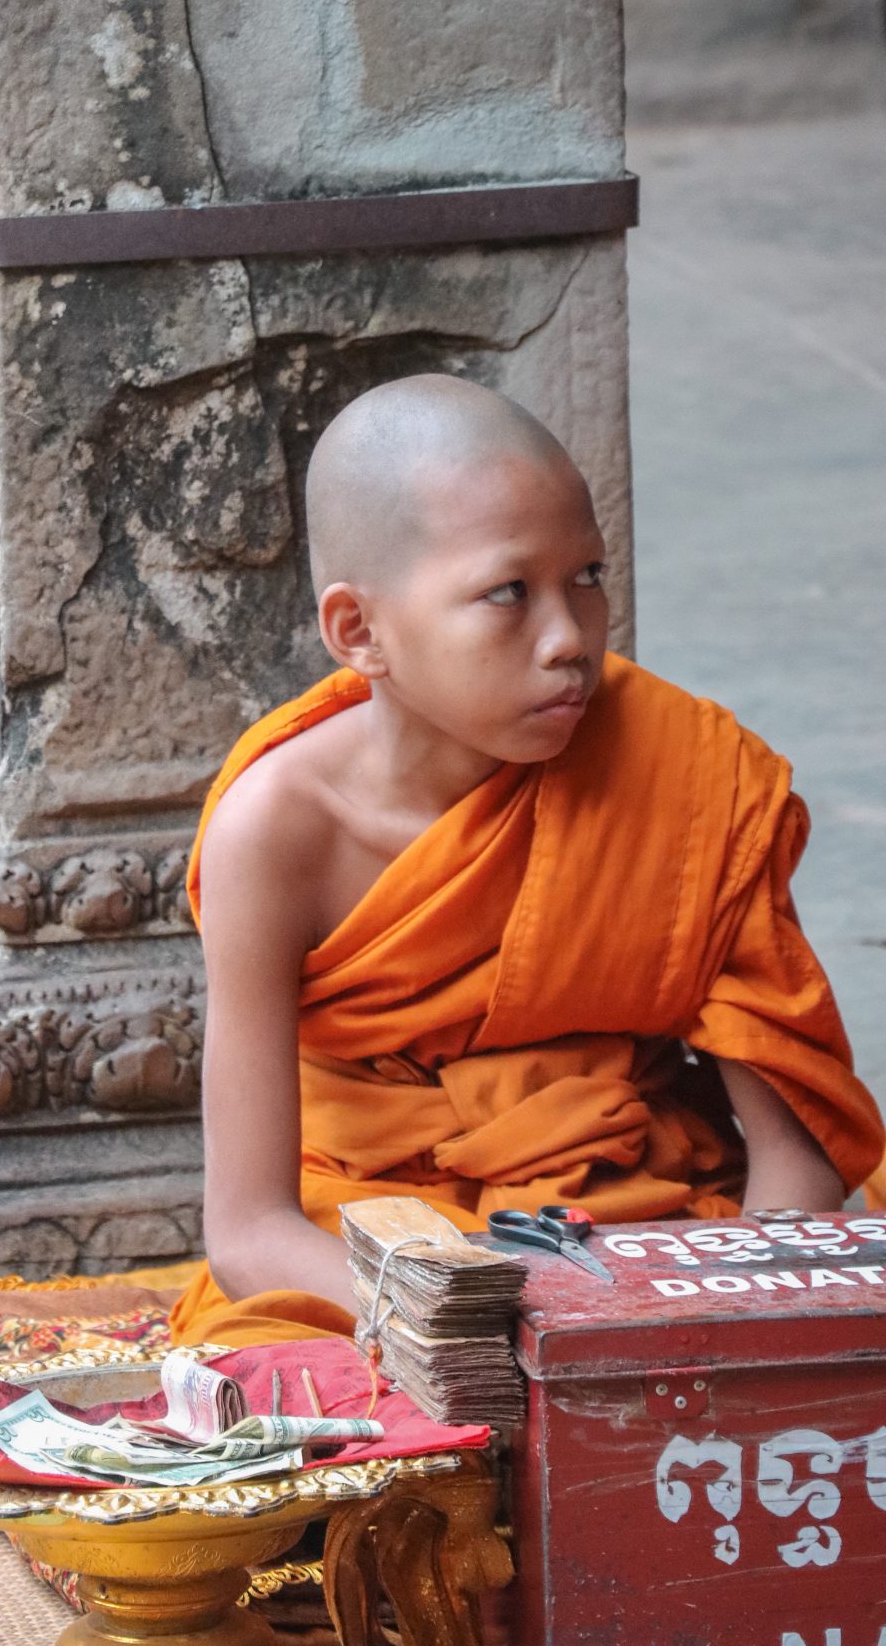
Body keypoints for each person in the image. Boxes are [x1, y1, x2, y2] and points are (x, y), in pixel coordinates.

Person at [170, 374, 884, 1347]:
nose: (570, 641)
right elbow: (251, 1229)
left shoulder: (685, 773)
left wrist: (728, 1323)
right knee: (305, 1418)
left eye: (587, 578)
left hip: (652, 1226)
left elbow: (793, 1160)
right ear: (359, 631)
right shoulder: (281, 832)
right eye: (508, 593)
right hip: (384, 1254)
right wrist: (484, 1337)